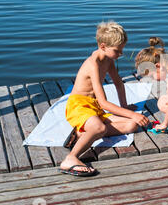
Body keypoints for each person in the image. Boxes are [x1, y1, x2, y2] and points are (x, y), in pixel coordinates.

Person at [60, 21, 149, 176]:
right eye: (117, 51)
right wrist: (133, 113)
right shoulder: (92, 64)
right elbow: (103, 102)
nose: (120, 54)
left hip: (94, 107)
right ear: (102, 46)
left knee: (131, 125)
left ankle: (82, 134)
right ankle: (71, 158)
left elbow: (118, 83)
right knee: (100, 128)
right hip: (79, 106)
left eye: (121, 50)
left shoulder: (108, 60)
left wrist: (125, 107)